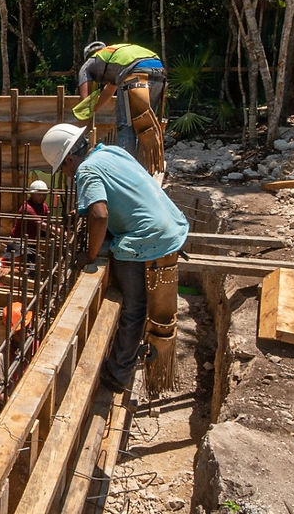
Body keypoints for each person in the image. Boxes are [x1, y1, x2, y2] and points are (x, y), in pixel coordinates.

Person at [40, 123, 188, 394]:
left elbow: (100, 215)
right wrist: (80, 214)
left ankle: (118, 374)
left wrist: (90, 255)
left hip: (147, 239)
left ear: (70, 159)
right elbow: (119, 195)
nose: (66, 174)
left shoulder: (86, 170)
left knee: (134, 308)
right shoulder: (111, 152)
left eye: (62, 168)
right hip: (169, 224)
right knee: (133, 299)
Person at [75, 42, 166, 172]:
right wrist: (94, 109)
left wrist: (80, 134)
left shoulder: (87, 66)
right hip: (158, 71)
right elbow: (109, 91)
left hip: (134, 74)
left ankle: (126, 171)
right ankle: (145, 170)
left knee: (125, 125)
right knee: (146, 125)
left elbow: (85, 104)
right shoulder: (113, 57)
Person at [10, 179, 61, 244]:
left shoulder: (44, 207)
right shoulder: (26, 208)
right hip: (18, 243)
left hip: (32, 242)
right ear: (31, 194)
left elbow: (48, 223)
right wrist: (58, 231)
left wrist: (58, 228)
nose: (42, 197)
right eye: (39, 194)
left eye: (44, 194)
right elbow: (41, 225)